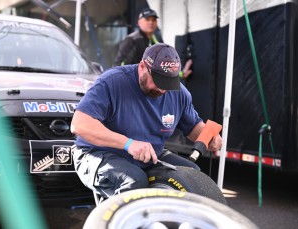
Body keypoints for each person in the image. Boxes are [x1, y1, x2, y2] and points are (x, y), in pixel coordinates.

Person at [72, 43, 222, 198]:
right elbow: (79, 124)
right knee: (134, 181)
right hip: (97, 153)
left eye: (168, 83)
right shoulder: (112, 82)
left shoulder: (179, 94)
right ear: (142, 66)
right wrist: (128, 143)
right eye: (158, 81)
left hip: (149, 155)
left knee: (193, 176)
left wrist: (209, 137)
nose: (163, 89)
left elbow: (193, 128)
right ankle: (118, 220)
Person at [113, 7, 193, 78]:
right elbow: (118, 64)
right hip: (132, 83)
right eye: (147, 19)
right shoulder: (131, 39)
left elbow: (163, 65)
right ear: (139, 22)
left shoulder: (157, 42)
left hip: (149, 86)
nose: (151, 22)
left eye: (153, 20)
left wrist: (181, 73)